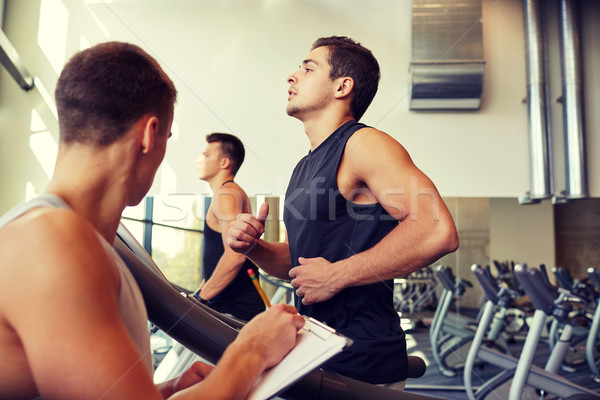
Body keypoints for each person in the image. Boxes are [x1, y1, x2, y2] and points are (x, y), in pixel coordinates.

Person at [0, 41, 304, 400]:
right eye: (168, 139)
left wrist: (166, 390)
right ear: (148, 135)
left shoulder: (61, 235)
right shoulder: (54, 242)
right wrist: (251, 351)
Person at [227, 36, 459, 388]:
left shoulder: (363, 144)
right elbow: (296, 261)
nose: (292, 76)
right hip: (313, 352)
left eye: (308, 68)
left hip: (362, 360)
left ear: (342, 86)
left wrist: (337, 275)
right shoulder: (303, 167)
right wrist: (252, 247)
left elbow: (437, 229)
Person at [193, 133, 265, 321]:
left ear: (224, 163)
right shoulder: (231, 192)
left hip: (234, 311)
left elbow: (236, 254)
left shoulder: (226, 195)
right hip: (231, 308)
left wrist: (199, 299)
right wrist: (200, 291)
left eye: (206, 155)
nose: (198, 160)